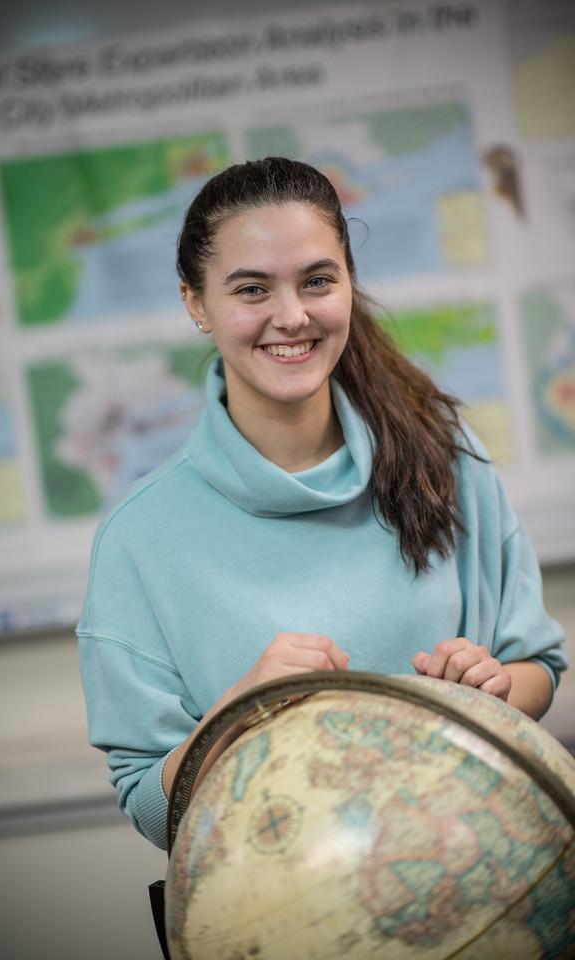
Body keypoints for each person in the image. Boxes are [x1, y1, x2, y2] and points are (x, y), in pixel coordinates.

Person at [77, 157, 567, 851]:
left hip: (480, 892)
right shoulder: (138, 538)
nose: (291, 316)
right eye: (252, 289)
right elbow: (152, 809)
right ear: (195, 303)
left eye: (317, 281)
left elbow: (538, 669)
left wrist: (491, 688)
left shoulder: (444, 456)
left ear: (348, 282)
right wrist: (238, 719)